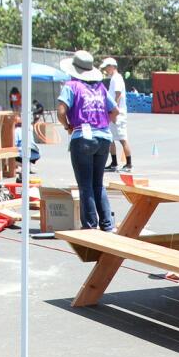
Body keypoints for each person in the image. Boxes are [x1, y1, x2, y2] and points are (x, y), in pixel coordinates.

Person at [57, 50, 116, 232]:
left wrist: (68, 126)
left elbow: (61, 111)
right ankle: (107, 224)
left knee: (85, 184)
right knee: (98, 182)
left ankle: (90, 226)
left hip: (82, 137)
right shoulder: (100, 88)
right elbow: (114, 112)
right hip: (103, 137)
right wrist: (101, 120)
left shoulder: (71, 86)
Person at [101, 57, 132, 173]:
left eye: (107, 67)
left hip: (118, 114)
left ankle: (129, 164)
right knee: (111, 138)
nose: (106, 70)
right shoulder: (114, 79)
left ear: (112, 66)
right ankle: (114, 163)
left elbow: (118, 96)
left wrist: (114, 112)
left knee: (122, 138)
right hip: (115, 113)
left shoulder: (117, 79)